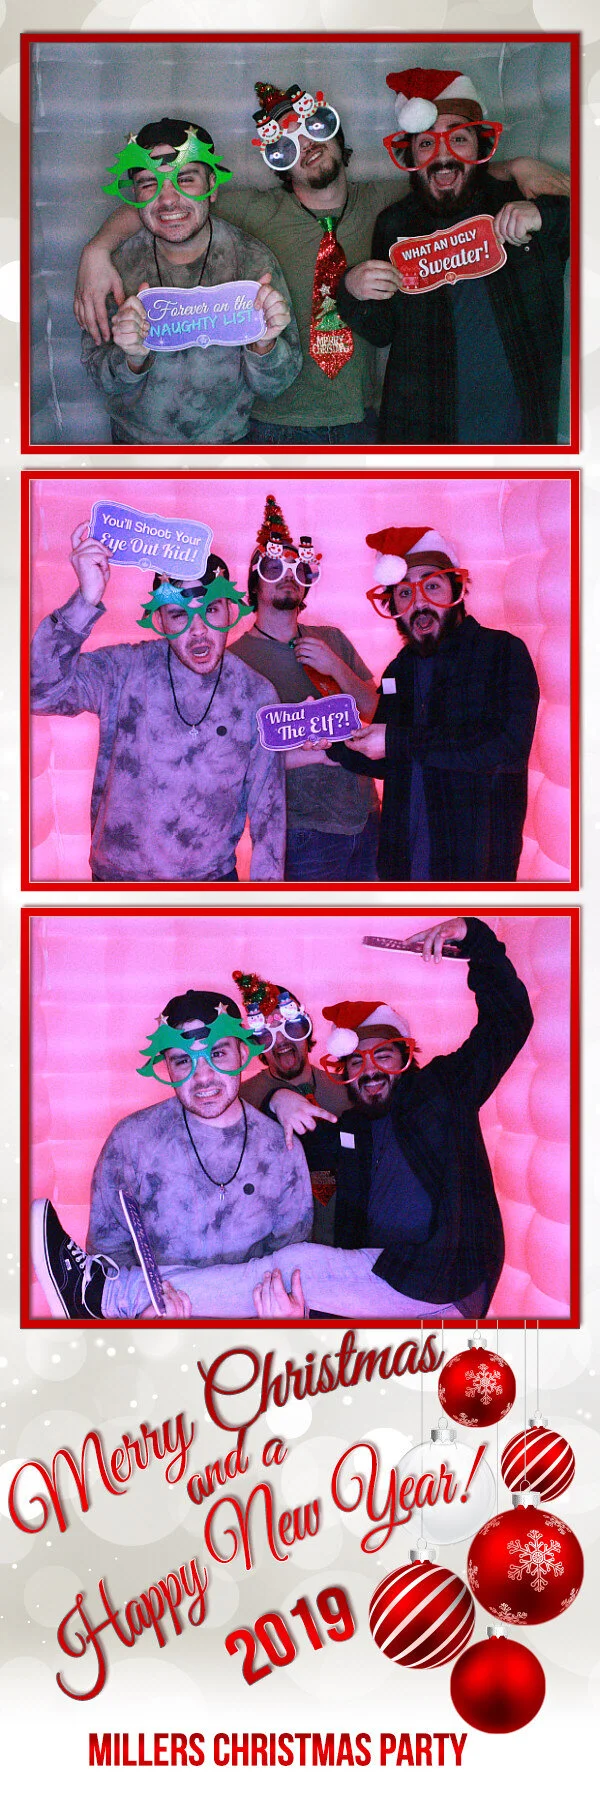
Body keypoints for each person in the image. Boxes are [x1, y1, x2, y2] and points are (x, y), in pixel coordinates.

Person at [31, 921, 533, 1323]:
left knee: (293, 1267)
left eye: (384, 1055)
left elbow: (509, 1022)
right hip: (389, 1286)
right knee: (282, 1271)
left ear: (407, 1056)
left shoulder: (444, 1089)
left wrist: (476, 937)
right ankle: (117, 1294)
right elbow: (301, 1166)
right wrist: (279, 1099)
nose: (369, 1069)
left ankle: (105, 1297)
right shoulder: (349, 1127)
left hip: (447, 1275)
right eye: (355, 1062)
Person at [74, 82, 568, 446]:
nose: (306, 147)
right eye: (286, 145)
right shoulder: (256, 211)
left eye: (315, 129)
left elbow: (446, 173)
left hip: (361, 419)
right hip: (272, 424)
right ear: (276, 164)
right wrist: (97, 250)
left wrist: (513, 167)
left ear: (338, 136)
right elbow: (172, 202)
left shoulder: (388, 204)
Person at [32, 990, 313, 1322]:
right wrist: (142, 1315)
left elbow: (291, 1265)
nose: (203, 1076)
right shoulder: (131, 1141)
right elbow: (110, 1253)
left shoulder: (281, 1147)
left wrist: (288, 1318)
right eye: (183, 1061)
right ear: (167, 1066)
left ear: (242, 1052)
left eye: (217, 1053)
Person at [30, 524, 286, 883]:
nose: (198, 629)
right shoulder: (122, 670)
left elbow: (268, 813)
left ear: (230, 611)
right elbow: (39, 691)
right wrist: (85, 600)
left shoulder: (256, 695)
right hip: (118, 884)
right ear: (160, 621)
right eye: (180, 614)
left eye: (211, 609)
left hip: (211, 887)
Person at [336, 67, 570, 444]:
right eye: (426, 142)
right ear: (411, 153)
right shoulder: (395, 224)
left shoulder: (520, 199)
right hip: (425, 436)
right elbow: (382, 331)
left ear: (479, 146)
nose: (443, 155)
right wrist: (352, 290)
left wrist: (546, 214)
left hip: (520, 435)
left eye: (458, 138)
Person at [326, 524, 540, 882]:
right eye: (404, 593)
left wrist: (395, 740)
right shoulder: (399, 669)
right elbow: (392, 762)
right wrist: (331, 745)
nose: (420, 603)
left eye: (432, 586)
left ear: (456, 589)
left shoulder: (502, 652)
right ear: (393, 606)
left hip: (473, 869)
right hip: (402, 868)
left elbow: (506, 748)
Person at [80, 116, 301, 444]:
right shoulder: (114, 270)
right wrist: (131, 358)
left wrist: (264, 345)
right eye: (149, 183)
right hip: (136, 450)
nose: (168, 199)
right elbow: (100, 381)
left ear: (212, 187)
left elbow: (276, 386)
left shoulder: (252, 261)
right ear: (136, 194)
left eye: (184, 179)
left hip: (228, 448)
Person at [231, 493, 381, 882]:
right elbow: (233, 762)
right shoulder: (235, 662)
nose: (288, 576)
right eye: (274, 568)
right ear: (254, 583)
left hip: (367, 818)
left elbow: (375, 710)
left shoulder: (333, 639)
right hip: (300, 831)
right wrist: (313, 756)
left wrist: (337, 668)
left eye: (298, 570)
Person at [234, 967, 346, 1244]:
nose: (281, 1041)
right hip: (275, 1244)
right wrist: (272, 1101)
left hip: (342, 1236)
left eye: (290, 1027)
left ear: (307, 1029)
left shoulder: (344, 1091)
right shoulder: (241, 1102)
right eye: (266, 1034)